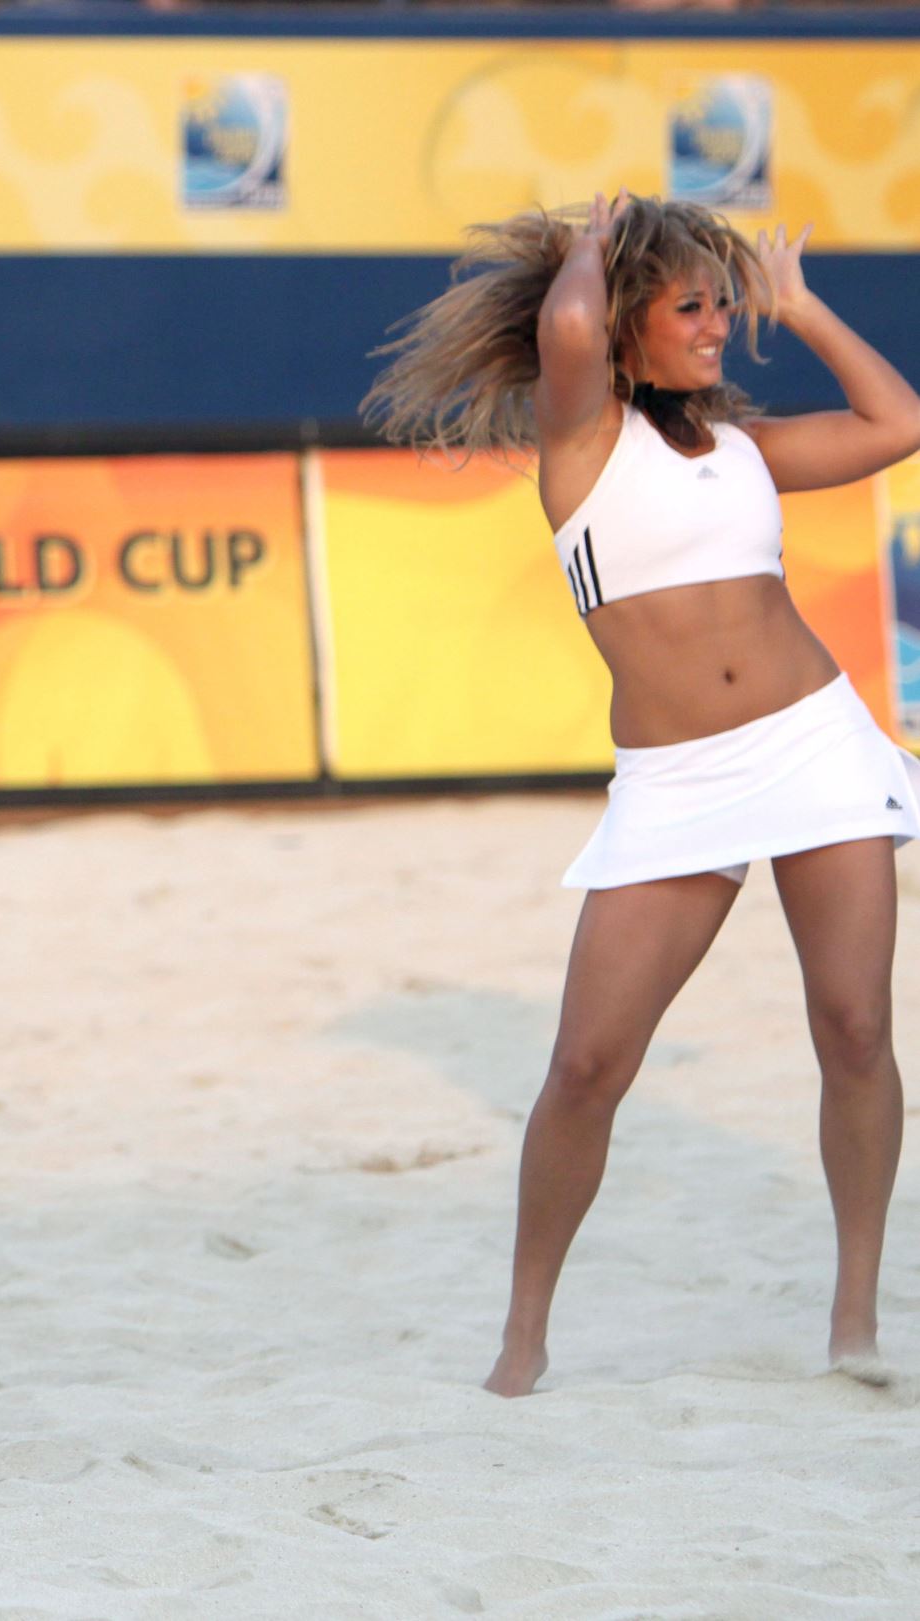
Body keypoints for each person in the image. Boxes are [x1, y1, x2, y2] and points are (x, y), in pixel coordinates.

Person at [365, 194, 920, 1396]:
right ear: (626, 330)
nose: (718, 325)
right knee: (585, 1068)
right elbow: (566, 329)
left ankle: (853, 1319)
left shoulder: (745, 451)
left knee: (857, 1029)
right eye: (692, 307)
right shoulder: (582, 444)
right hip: (678, 785)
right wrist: (586, 246)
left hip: (815, 746)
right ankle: (523, 1334)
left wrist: (804, 307)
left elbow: (896, 424)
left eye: (723, 304)